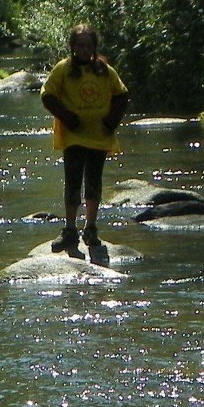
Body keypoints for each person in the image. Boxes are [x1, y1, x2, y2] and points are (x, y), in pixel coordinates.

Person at [40, 24, 129, 259]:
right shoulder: (63, 69)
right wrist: (68, 118)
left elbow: (121, 95)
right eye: (80, 45)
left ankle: (90, 227)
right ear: (72, 47)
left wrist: (110, 122)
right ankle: (70, 229)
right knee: (72, 182)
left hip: (99, 135)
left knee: (93, 182)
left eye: (88, 45)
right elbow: (47, 95)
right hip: (73, 135)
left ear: (94, 47)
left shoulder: (104, 70)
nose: (84, 49)